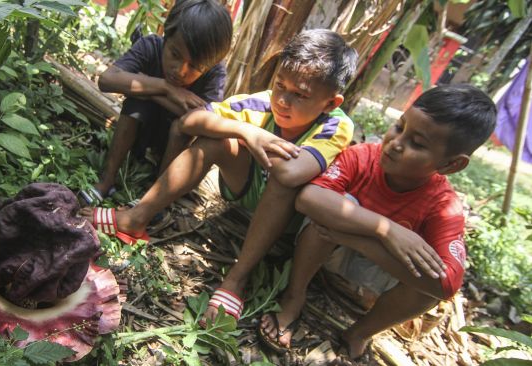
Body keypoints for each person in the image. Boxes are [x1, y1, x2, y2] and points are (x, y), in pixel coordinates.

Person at [82, 29, 358, 322]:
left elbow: (291, 174)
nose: (283, 101)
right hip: (247, 188)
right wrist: (245, 131)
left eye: (300, 95)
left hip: (287, 217)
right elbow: (190, 120)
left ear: (330, 103)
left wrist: (253, 138)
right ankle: (138, 216)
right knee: (215, 140)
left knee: (284, 178)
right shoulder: (262, 103)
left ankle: (237, 278)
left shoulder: (335, 126)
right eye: (280, 85)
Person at [257, 84, 497, 357]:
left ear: (451, 165)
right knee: (340, 206)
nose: (395, 143)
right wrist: (386, 230)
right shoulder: (363, 157)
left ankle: (359, 332)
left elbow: (447, 284)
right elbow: (309, 199)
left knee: (430, 287)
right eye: (399, 126)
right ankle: (293, 297)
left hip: (369, 265)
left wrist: (354, 238)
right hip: (326, 244)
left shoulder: (443, 205)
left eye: (417, 144)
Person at [80, 0, 233, 205]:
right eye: (175, 55)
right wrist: (166, 88)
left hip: (173, 158)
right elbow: (107, 80)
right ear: (166, 35)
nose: (180, 71)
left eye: (195, 66)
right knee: (137, 101)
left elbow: (202, 120)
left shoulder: (215, 74)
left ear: (209, 65)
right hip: (137, 139)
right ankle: (107, 180)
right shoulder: (151, 46)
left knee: (182, 126)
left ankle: (154, 200)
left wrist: (146, 87)